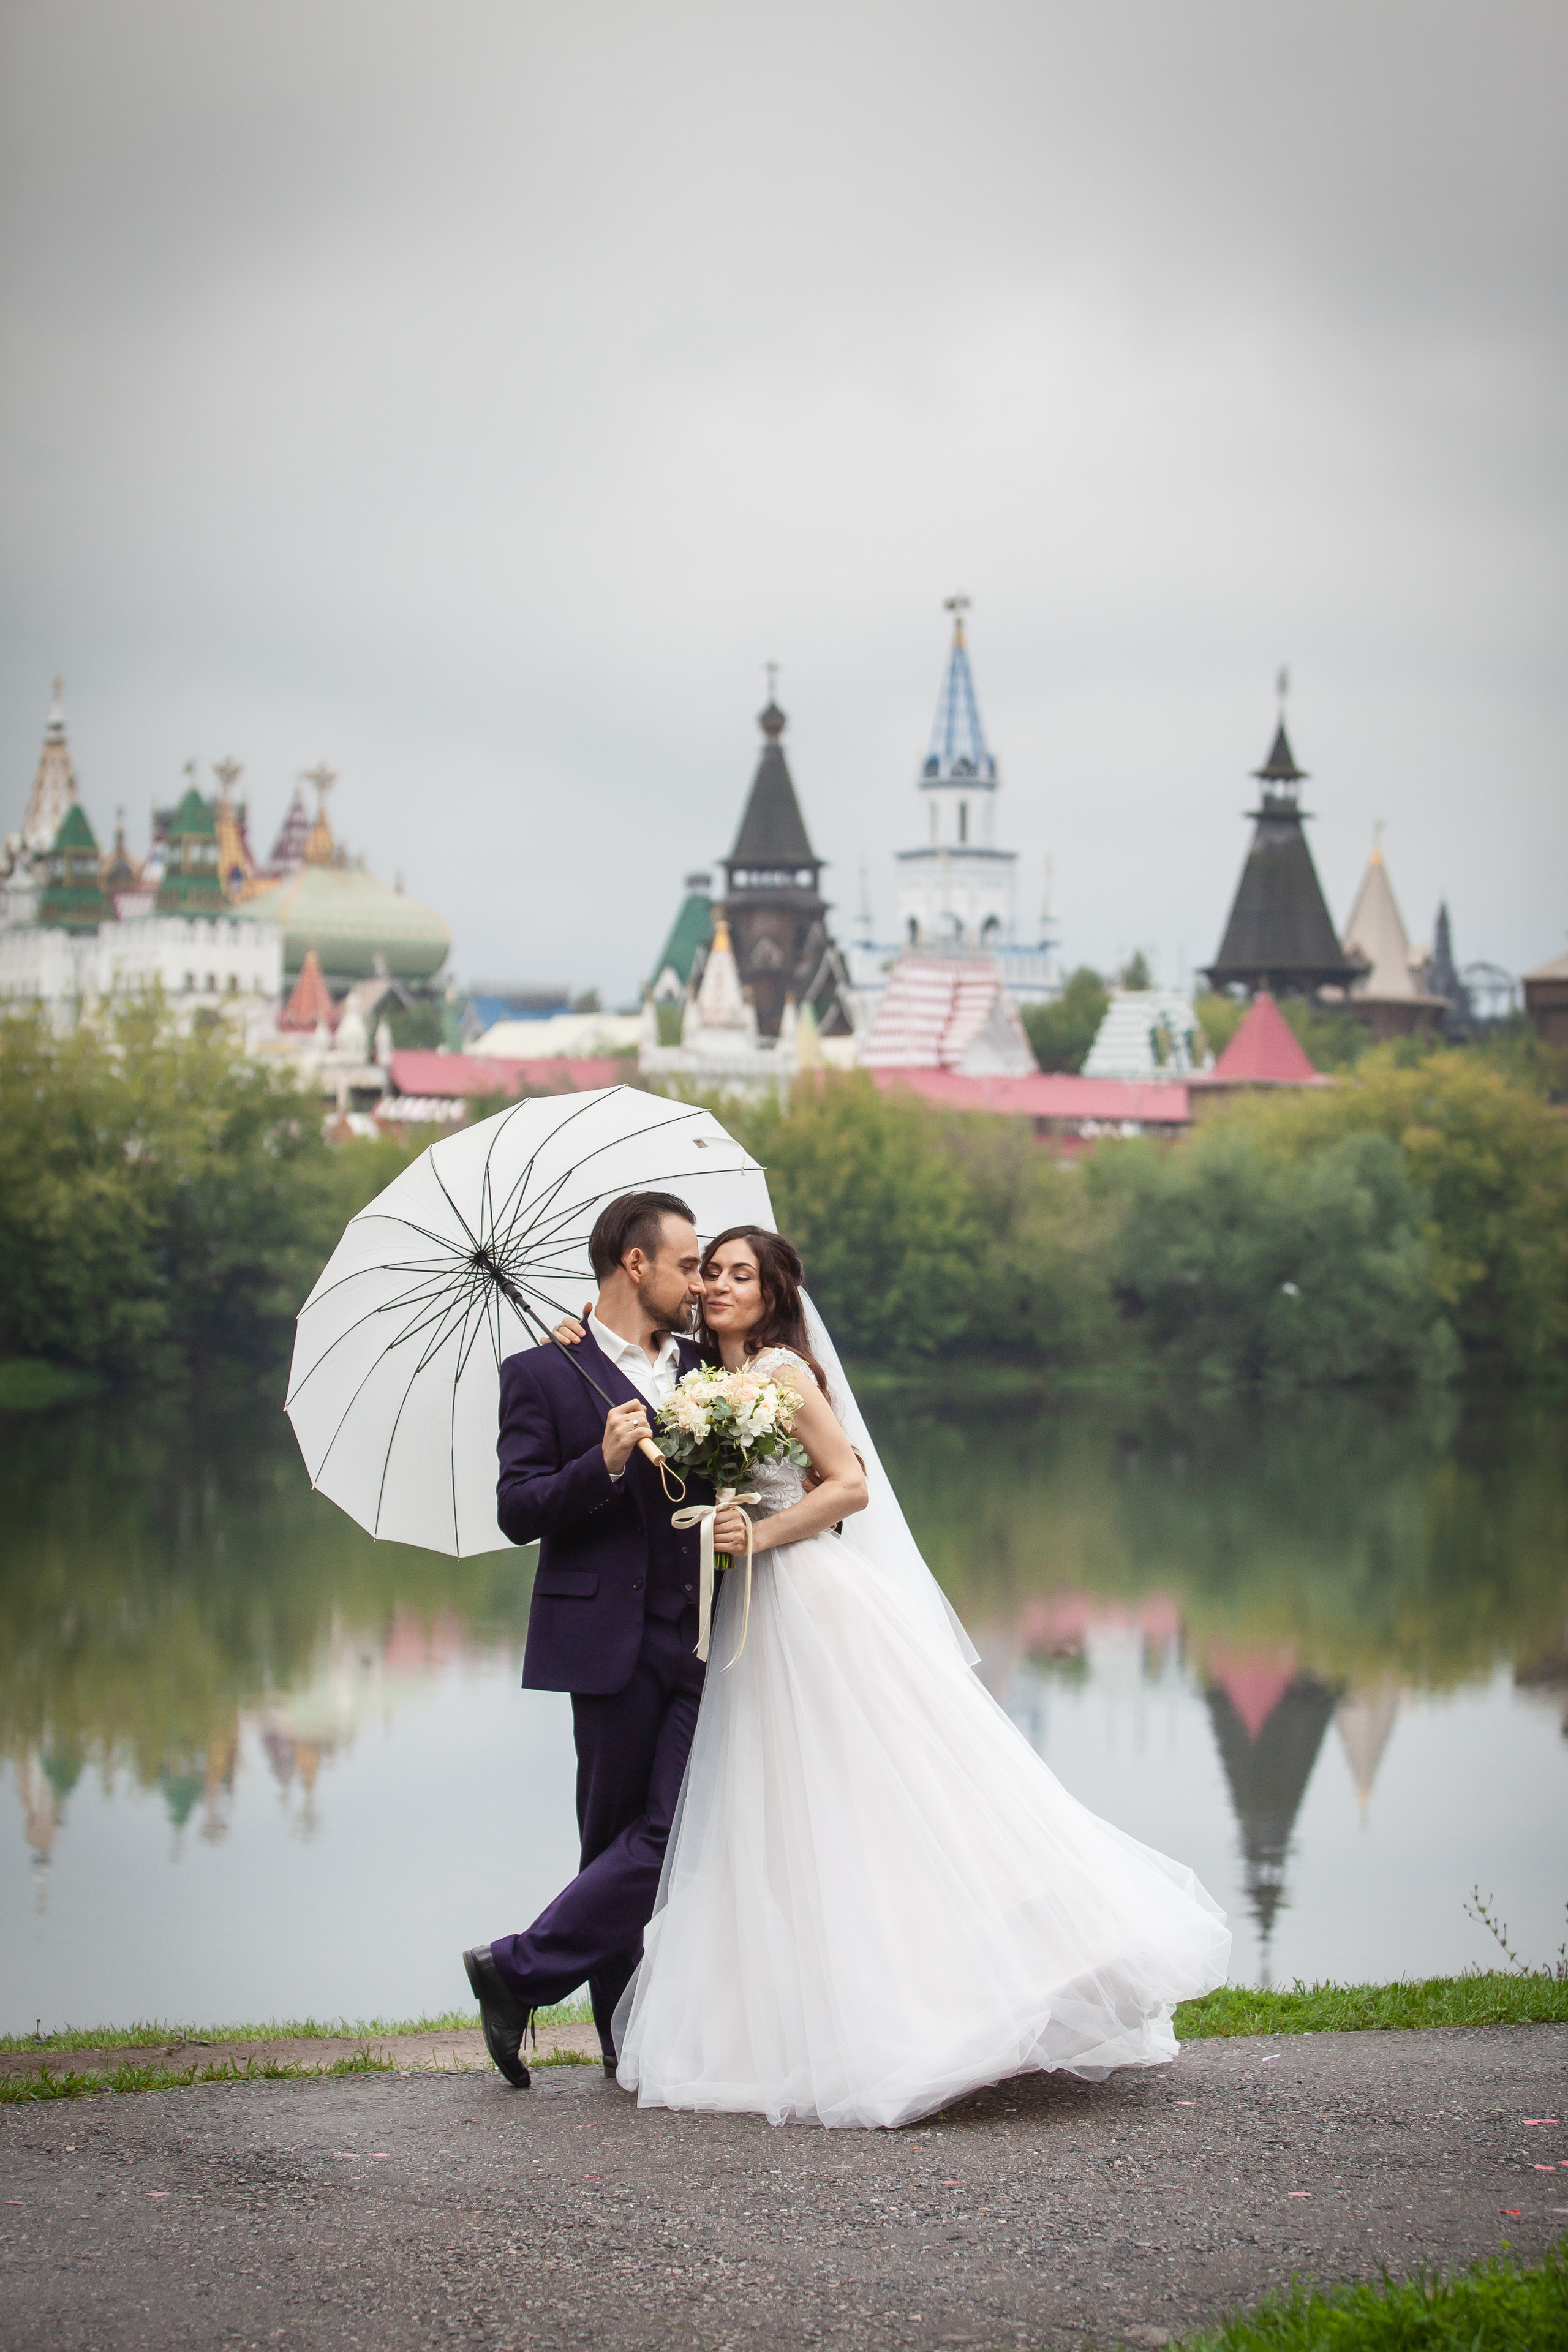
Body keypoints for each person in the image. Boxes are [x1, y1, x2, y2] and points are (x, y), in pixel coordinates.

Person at [557, 1224, 1231, 2130]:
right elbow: (623, 1357)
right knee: (768, 1809)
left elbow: (848, 1484)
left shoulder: (786, 1375)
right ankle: (785, 2024)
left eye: (738, 1274)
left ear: (773, 1293)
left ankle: (949, 1998)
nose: (717, 1284)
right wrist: (577, 1335)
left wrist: (758, 1529)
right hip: (739, 1615)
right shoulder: (691, 1375)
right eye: (709, 1271)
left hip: (806, 1599)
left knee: (872, 1791)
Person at [461, 1189, 713, 2089]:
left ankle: (517, 1969)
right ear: (634, 1264)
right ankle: (625, 2043)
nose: (699, 1281)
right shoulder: (540, 1374)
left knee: (680, 1827)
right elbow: (518, 1509)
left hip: (706, 1636)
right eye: (687, 1264)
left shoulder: (708, 1363)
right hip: (603, 1638)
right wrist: (601, 1464)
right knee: (613, 1840)